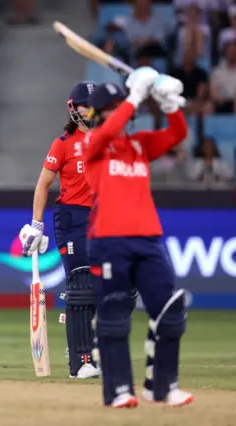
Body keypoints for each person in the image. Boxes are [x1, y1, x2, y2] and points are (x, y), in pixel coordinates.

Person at [83, 67, 193, 408]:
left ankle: (162, 387)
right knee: (114, 315)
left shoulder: (140, 145)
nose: (122, 113)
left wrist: (170, 105)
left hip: (148, 239)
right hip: (108, 239)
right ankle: (118, 390)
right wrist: (134, 97)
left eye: (124, 106)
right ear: (100, 114)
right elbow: (110, 130)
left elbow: (178, 134)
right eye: (114, 107)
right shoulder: (92, 144)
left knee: (170, 312)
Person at [19, 82, 101, 380]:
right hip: (72, 218)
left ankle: (88, 345)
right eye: (85, 105)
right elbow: (43, 184)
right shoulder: (63, 143)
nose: (91, 110)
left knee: (117, 287)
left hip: (103, 218)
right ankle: (79, 361)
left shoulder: (108, 139)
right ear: (73, 108)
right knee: (80, 285)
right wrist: (37, 223)